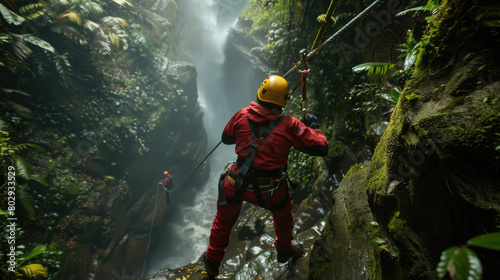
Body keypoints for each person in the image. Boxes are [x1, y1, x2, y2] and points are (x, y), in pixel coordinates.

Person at [203, 75, 328, 279]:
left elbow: (226, 138)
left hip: (236, 182)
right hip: (270, 189)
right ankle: (284, 250)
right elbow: (321, 147)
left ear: (261, 93)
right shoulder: (289, 125)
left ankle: (212, 263)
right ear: (283, 101)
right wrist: (313, 127)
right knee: (284, 219)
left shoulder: (242, 115)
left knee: (223, 222)